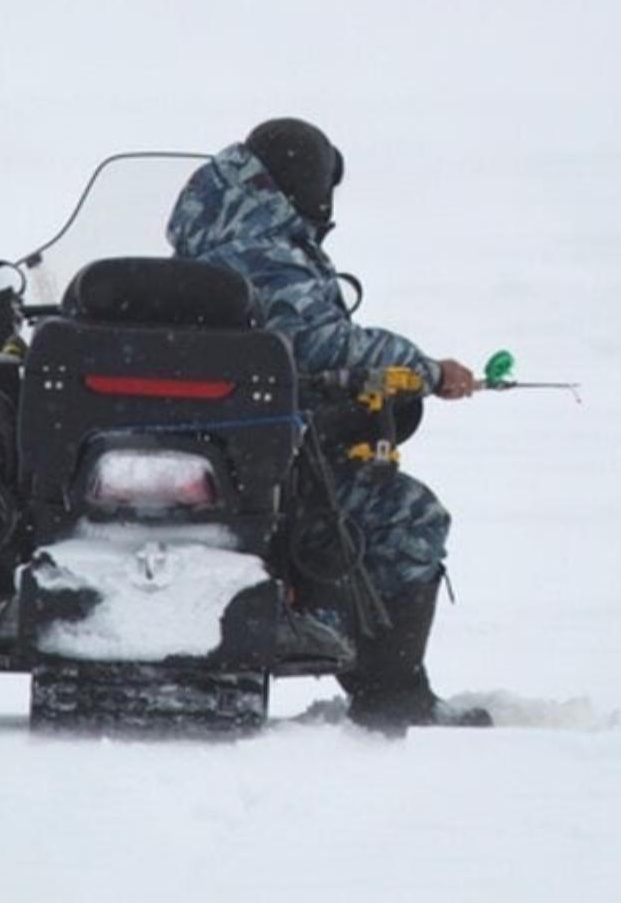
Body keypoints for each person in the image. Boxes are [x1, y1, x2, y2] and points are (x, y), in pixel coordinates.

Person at [167, 118, 481, 732]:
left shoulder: (209, 228)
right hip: (259, 458)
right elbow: (318, 344)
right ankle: (392, 695)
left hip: (203, 439)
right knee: (410, 515)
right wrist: (426, 371)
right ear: (305, 183)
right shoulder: (259, 241)